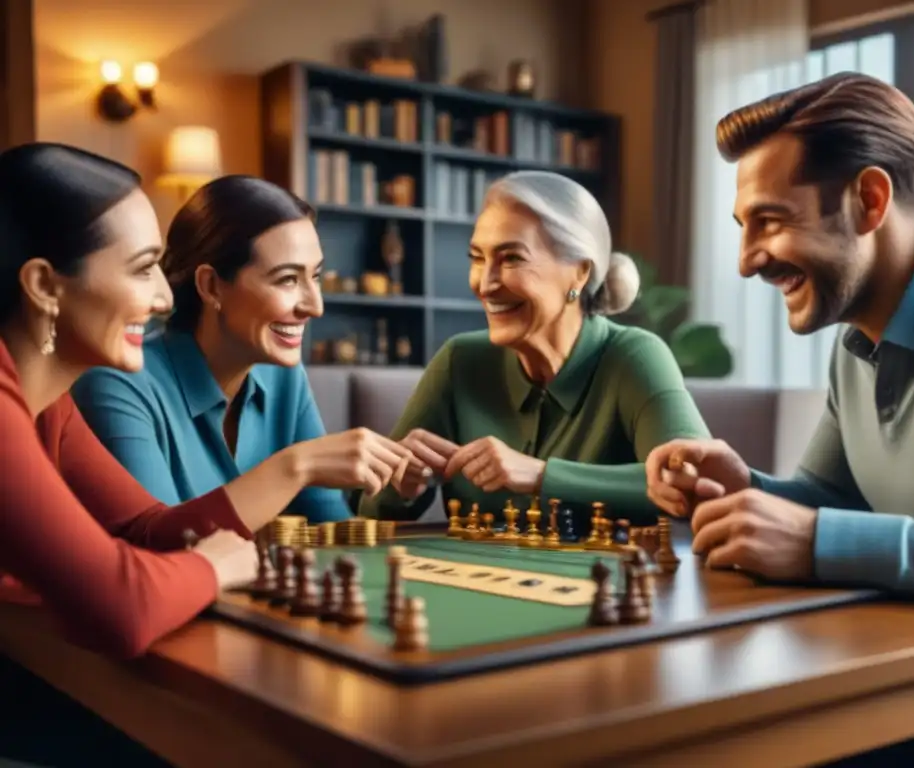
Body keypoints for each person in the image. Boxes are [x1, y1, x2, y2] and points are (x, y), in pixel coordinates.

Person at [645, 72, 914, 765]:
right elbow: (831, 499)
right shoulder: (857, 338)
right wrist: (745, 490)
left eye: (771, 220)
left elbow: (826, 533)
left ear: (870, 200)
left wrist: (820, 542)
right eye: (743, 228)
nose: (746, 260)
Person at [0, 142, 414, 661]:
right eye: (141, 268)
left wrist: (298, 471)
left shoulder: (52, 404)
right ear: (44, 285)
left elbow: (147, 530)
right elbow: (121, 605)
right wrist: (215, 566)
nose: (165, 298)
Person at [360, 170, 711, 528]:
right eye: (478, 258)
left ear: (579, 273)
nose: (484, 283)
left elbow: (695, 482)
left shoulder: (635, 357)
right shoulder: (460, 361)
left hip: (607, 582)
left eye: (511, 258)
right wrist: (402, 486)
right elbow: (369, 508)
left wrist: (542, 476)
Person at [73, 175, 394, 522]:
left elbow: (332, 528)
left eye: (314, 277)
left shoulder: (285, 377)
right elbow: (156, 545)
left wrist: (397, 485)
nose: (315, 307)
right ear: (211, 286)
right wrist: (296, 466)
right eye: (287, 279)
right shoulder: (117, 383)